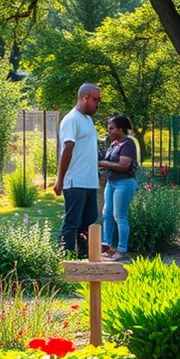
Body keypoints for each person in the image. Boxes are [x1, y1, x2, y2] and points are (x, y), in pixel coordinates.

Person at [54, 83, 102, 257]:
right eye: (96, 100)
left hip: (89, 182)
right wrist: (60, 179)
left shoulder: (88, 120)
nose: (98, 104)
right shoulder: (71, 119)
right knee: (72, 222)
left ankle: (83, 258)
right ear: (85, 98)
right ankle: (64, 258)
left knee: (88, 222)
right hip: (75, 181)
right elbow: (67, 149)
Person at [98, 115, 139, 261]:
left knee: (119, 216)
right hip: (112, 182)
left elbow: (123, 166)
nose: (109, 131)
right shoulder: (114, 144)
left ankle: (121, 250)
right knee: (107, 214)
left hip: (125, 183)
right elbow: (109, 163)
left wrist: (102, 163)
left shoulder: (128, 144)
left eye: (111, 128)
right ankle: (106, 246)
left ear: (120, 129)